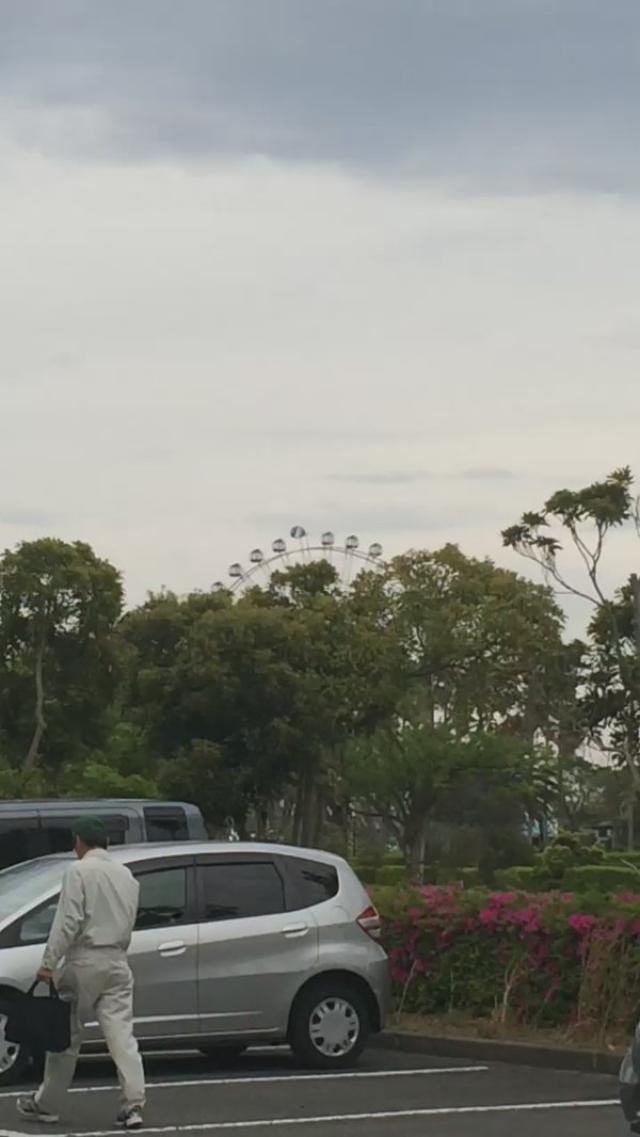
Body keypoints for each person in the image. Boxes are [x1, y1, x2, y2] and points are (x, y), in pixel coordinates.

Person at [17, 816, 145, 1130]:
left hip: (84, 960)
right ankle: (132, 1104)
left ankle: (46, 1104)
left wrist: (48, 963)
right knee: (122, 1037)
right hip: (118, 960)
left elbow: (67, 921)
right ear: (107, 843)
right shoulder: (126, 875)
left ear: (78, 841)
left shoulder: (78, 871)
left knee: (65, 1037)